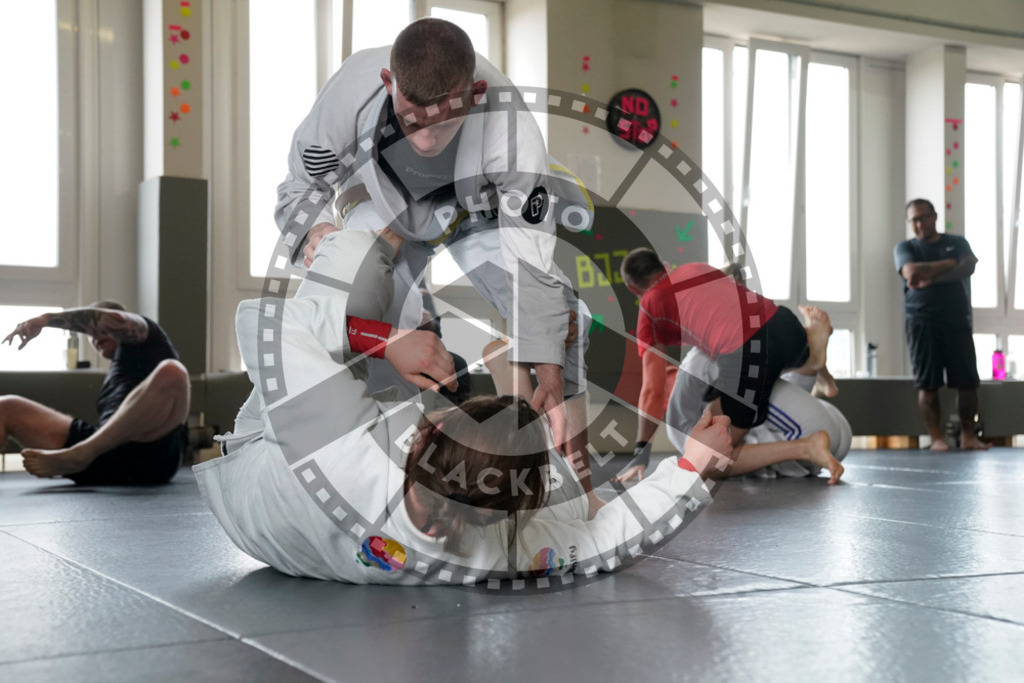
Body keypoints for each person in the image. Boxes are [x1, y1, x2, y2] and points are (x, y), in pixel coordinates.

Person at [195, 227, 733, 584]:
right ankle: (556, 464)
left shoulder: (339, 453)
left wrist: (383, 341)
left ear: (426, 434)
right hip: (292, 534)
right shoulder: (496, 549)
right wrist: (691, 469)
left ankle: (355, 233)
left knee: (354, 266)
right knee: (567, 503)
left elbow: (260, 324)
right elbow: (607, 540)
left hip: (261, 473)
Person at [275, 18, 593, 461]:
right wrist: (316, 231)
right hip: (381, 202)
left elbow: (531, 260)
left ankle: (577, 486)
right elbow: (300, 187)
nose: (426, 140)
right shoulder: (352, 93)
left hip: (479, 208)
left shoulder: (509, 126)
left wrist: (549, 363)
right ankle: (391, 464)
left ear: (475, 94)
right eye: (412, 121)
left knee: (566, 319)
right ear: (389, 83)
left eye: (443, 123)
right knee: (363, 304)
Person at [618, 249, 835, 458]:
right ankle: (813, 359)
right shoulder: (696, 268)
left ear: (631, 288)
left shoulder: (648, 306)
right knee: (721, 404)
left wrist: (641, 448)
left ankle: (805, 447)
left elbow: (652, 391)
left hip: (749, 353)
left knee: (711, 454)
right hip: (784, 324)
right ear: (663, 266)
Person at [1, 303, 190, 485]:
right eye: (90, 335)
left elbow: (115, 319)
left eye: (100, 330)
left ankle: (81, 454)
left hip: (152, 457)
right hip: (106, 456)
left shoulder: (149, 339)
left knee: (173, 372)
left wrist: (45, 319)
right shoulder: (117, 372)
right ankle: (76, 456)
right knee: (6, 406)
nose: (96, 337)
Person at [613, 347, 849, 485]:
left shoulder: (702, 379)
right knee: (712, 454)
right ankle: (812, 363)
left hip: (820, 432)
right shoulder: (683, 423)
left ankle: (812, 364)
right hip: (831, 434)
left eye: (672, 376)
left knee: (711, 457)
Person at [894, 199, 988, 451]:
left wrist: (930, 277)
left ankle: (968, 436)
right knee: (928, 384)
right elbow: (911, 272)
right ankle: (936, 438)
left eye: (924, 217)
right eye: (914, 220)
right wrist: (948, 264)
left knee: (968, 382)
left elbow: (968, 265)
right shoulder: (905, 248)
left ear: (934, 216)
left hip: (957, 321)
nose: (920, 223)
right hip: (921, 323)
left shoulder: (957, 242)